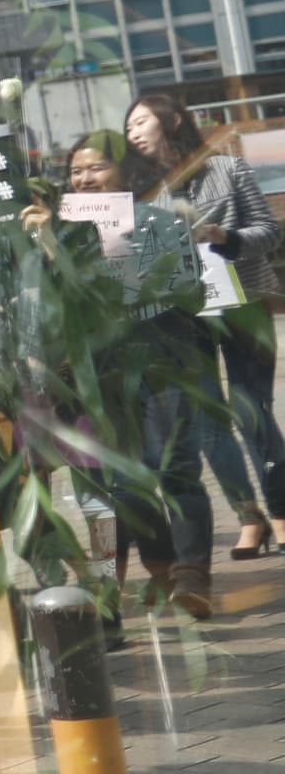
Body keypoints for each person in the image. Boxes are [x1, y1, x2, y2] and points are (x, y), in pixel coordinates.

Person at [24, 135, 220, 615]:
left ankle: (191, 575)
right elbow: (46, 308)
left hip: (164, 362)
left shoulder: (161, 221)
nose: (84, 178)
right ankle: (113, 584)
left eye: (97, 168)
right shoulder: (56, 233)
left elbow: (182, 287)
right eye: (76, 171)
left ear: (125, 175)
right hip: (97, 376)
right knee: (114, 484)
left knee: (174, 469)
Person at [123, 89, 285, 558]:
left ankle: (280, 508)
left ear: (172, 119)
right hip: (182, 315)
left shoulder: (227, 169)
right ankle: (248, 516)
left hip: (242, 301)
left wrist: (223, 236)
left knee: (250, 408)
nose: (132, 130)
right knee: (208, 421)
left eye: (140, 120)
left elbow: (268, 233)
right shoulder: (139, 192)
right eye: (128, 125)